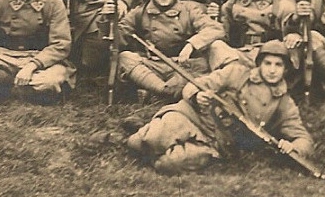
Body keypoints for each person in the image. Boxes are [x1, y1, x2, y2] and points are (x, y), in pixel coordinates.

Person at [126, 40, 314, 175]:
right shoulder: (237, 72)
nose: (272, 70)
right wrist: (197, 96)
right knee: (141, 142)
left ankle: (156, 141)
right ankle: (147, 135)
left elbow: (304, 139)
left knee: (168, 164)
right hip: (196, 116)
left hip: (219, 142)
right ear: (259, 64)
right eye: (268, 63)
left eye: (278, 65)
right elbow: (195, 84)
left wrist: (293, 147)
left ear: (285, 69)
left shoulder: (284, 102)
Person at [118, 0, 223, 101]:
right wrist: (108, 20)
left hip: (182, 65)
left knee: (204, 64)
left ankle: (153, 91)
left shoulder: (189, 9)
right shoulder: (139, 12)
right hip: (153, 65)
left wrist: (191, 45)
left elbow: (215, 28)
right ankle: (165, 91)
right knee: (125, 58)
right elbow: (119, 37)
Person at [206, 0, 299, 71]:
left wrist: (294, 34)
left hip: (269, 56)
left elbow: (292, 29)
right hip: (240, 54)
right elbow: (222, 34)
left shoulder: (282, 5)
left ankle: (236, 73)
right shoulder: (231, 5)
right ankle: (235, 72)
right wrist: (213, 19)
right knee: (216, 46)